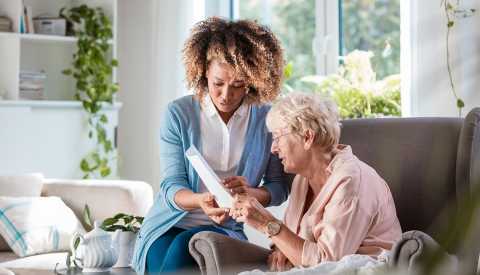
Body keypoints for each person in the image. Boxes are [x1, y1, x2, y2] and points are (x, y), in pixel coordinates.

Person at [132, 17, 290, 274]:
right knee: (169, 257)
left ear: (252, 80)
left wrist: (250, 193)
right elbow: (172, 185)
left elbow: (279, 187)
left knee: (187, 247)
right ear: (204, 71)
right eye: (218, 83)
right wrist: (200, 201)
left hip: (225, 228)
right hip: (167, 224)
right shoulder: (179, 114)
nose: (226, 95)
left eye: (238, 85)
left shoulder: (266, 119)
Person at [230, 92, 402, 272]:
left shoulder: (352, 181)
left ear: (307, 138)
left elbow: (328, 264)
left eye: (278, 137)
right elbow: (290, 237)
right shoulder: (301, 180)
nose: (273, 148)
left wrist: (267, 224)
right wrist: (281, 248)